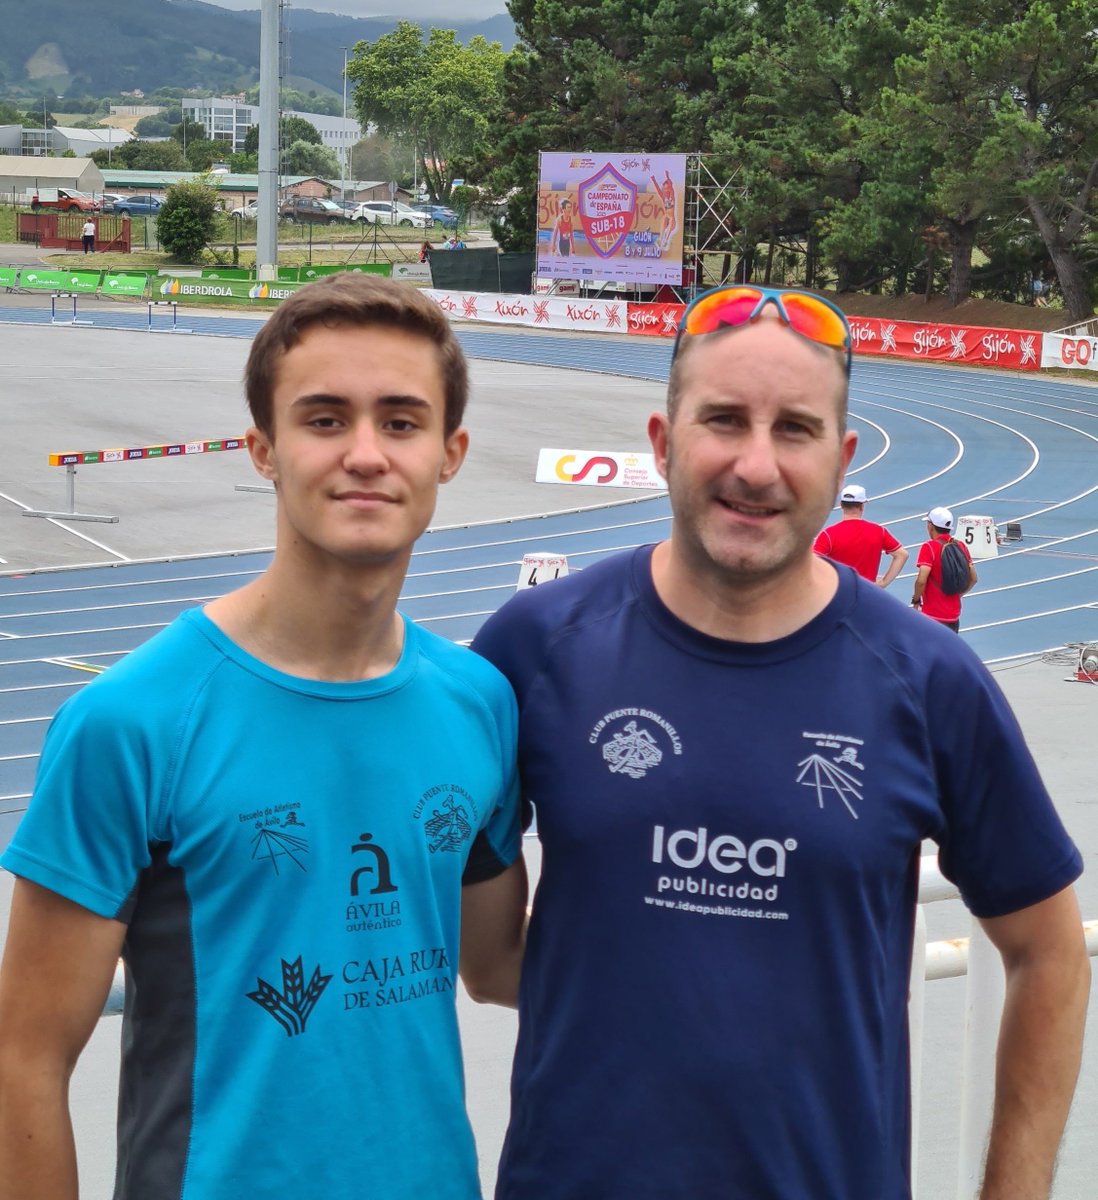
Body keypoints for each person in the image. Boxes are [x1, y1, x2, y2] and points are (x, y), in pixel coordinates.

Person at [472, 284, 1088, 1200]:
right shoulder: (531, 651)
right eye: (723, 419)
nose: (756, 466)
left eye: (794, 429)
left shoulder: (930, 681)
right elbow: (487, 966)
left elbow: (1050, 955)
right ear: (662, 441)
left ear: (838, 462)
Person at [0, 275, 528, 1200]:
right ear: (263, 450)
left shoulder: (478, 701)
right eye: (325, 420)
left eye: (401, 422)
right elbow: (23, 1057)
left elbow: (498, 966)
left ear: (451, 452)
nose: (366, 453)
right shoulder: (132, 723)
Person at [813, 481, 908, 586]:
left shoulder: (828, 535)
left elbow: (811, 564)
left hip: (838, 593)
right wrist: (883, 582)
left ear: (841, 505)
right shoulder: (878, 531)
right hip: (867, 593)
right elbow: (902, 555)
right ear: (861, 506)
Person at [912, 505, 977, 632]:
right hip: (953, 615)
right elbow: (973, 578)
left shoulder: (929, 547)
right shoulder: (960, 545)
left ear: (930, 526)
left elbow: (921, 580)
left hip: (931, 615)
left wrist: (916, 599)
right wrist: (958, 595)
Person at [649, 169, 677, 251]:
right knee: (665, 217)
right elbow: (658, 189)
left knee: (671, 219)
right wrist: (653, 180)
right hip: (667, 219)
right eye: (665, 189)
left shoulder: (672, 196)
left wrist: (667, 176)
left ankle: (666, 240)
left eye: (668, 189)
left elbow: (671, 187)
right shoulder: (663, 196)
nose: (667, 191)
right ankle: (660, 239)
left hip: (672, 221)